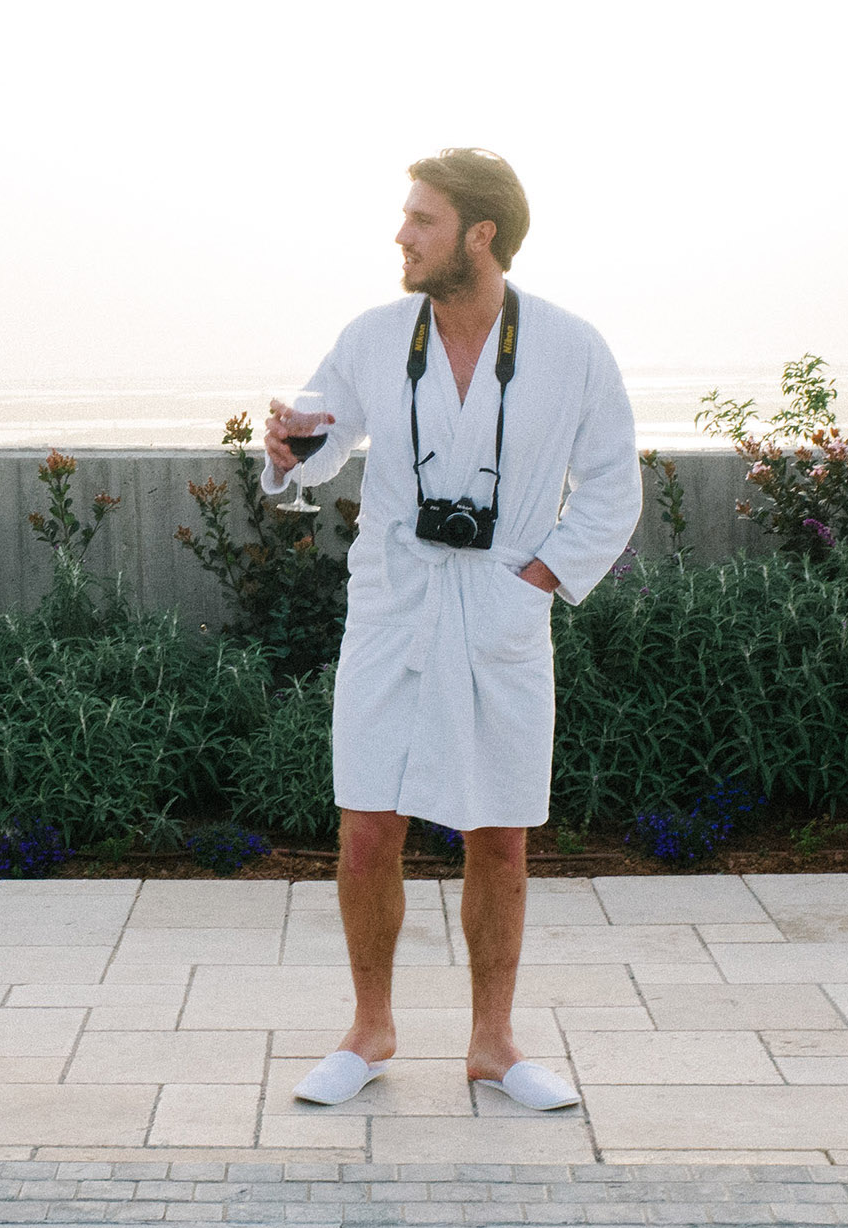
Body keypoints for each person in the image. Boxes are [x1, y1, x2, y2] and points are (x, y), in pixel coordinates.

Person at [264, 149, 640, 1112]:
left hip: (502, 608)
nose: (401, 235)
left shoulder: (571, 347)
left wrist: (538, 579)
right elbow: (317, 439)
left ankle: (493, 1043)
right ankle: (369, 1028)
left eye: (422, 219)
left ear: (481, 233)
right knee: (365, 828)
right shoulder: (374, 335)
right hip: (395, 607)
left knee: (500, 834)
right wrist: (290, 448)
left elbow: (614, 485)